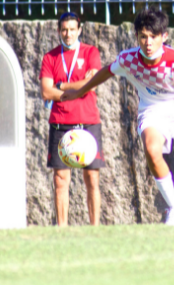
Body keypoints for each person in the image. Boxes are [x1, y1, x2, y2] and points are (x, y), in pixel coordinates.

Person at [62, 6, 174, 225]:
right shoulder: (128, 59)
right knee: (152, 151)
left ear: (165, 36)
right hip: (153, 110)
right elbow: (107, 71)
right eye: (143, 37)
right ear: (136, 36)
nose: (148, 43)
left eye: (153, 37)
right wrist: (80, 90)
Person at [39, 12, 104, 227]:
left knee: (92, 179)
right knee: (60, 180)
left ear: (80, 30)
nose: (68, 34)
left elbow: (93, 82)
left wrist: (64, 87)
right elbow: (47, 92)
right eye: (64, 30)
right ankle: (62, 229)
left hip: (88, 122)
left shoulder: (91, 52)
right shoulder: (50, 57)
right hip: (60, 123)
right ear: (59, 30)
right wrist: (80, 88)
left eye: (72, 29)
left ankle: (95, 229)